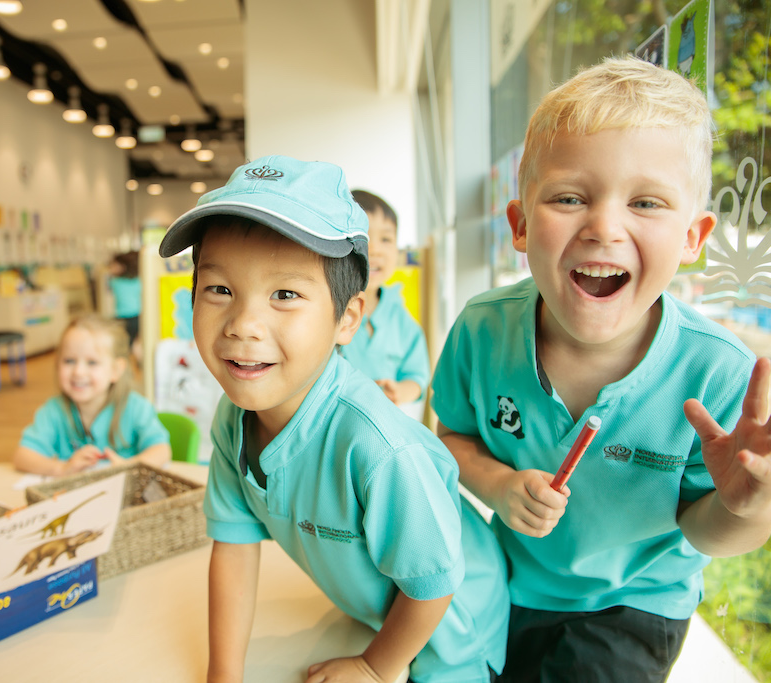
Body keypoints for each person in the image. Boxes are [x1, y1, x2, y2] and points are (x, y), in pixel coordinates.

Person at [431, 56, 771, 683]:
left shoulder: (717, 372)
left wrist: (745, 506)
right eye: (570, 197)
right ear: (519, 224)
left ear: (694, 238)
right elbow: (450, 439)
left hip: (634, 606)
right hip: (505, 584)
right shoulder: (482, 330)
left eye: (646, 202)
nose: (604, 227)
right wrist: (498, 486)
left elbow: (709, 531)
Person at [160, 155, 509, 683]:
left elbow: (436, 585)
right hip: (372, 619)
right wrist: (223, 675)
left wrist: (375, 668)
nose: (243, 324)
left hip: (452, 634)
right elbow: (233, 547)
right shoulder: (234, 420)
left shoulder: (380, 449)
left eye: (285, 294)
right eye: (220, 289)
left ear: (346, 318)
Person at [13, 313, 170, 476]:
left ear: (116, 370)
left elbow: (161, 450)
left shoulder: (136, 407)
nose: (79, 372)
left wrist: (128, 466)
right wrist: (61, 468)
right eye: (69, 361)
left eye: (92, 362)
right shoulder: (53, 411)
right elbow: (22, 456)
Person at [341, 189, 430, 416]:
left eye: (386, 239)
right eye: (364, 236)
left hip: (388, 427)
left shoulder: (400, 316)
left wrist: (400, 392)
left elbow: (418, 377)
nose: (376, 249)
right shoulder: (329, 309)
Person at [107, 250, 142, 362]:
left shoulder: (114, 281)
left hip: (122, 317)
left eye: (114, 265)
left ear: (123, 267)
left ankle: (128, 364)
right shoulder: (138, 280)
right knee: (133, 344)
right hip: (137, 315)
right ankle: (136, 364)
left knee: (124, 345)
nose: (111, 267)